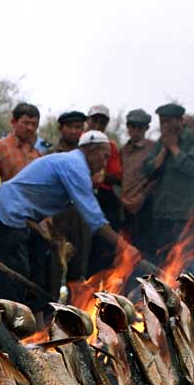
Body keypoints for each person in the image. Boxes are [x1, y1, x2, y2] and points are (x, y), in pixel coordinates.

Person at [0, 130, 119, 327]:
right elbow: (95, 219)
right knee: (14, 275)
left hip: (25, 219)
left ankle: (37, 328)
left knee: (37, 272)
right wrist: (124, 248)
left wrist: (53, 238)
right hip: (8, 214)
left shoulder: (71, 164)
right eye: (104, 156)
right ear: (91, 149)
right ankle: (6, 331)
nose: (105, 162)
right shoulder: (75, 166)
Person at [141, 103, 194, 269]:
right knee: (164, 263)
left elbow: (193, 168)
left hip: (186, 215)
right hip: (162, 214)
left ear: (179, 121)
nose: (164, 126)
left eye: (168, 121)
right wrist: (164, 150)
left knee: (185, 262)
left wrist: (174, 148)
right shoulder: (160, 143)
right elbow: (148, 170)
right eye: (162, 122)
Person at [45, 111, 91, 283]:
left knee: (79, 267)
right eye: (70, 127)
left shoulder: (87, 154)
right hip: (57, 216)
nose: (74, 131)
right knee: (56, 265)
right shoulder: (50, 153)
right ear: (61, 128)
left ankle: (77, 305)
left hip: (80, 216)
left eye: (78, 127)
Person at [85, 104, 123, 275]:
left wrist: (102, 176)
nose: (98, 125)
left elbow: (116, 175)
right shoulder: (82, 142)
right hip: (81, 195)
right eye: (95, 121)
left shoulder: (110, 145)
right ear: (88, 121)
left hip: (103, 196)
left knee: (103, 247)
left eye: (102, 122)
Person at [120, 108, 156, 252]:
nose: (136, 130)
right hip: (126, 207)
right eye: (132, 126)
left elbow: (156, 177)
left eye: (140, 127)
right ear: (128, 127)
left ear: (146, 128)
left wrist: (142, 196)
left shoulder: (153, 148)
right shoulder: (123, 150)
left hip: (145, 206)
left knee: (145, 248)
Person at [0, 102, 42, 181]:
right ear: (13, 122)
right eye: (26, 123)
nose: (30, 128)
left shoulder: (37, 154)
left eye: (34, 124)